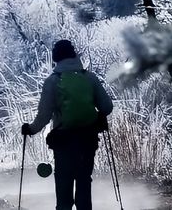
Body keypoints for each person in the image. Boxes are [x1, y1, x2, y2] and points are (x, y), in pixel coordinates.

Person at [22, 39, 114, 210]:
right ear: (74, 55)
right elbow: (107, 107)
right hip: (88, 139)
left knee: (64, 184)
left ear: (55, 59)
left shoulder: (52, 81)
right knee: (84, 180)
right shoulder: (89, 77)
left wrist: (30, 129)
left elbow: (44, 116)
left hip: (64, 142)